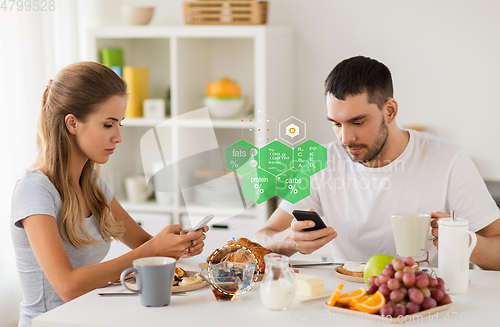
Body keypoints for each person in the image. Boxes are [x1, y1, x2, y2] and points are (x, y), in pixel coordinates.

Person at [253, 56, 500, 270]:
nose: (345, 138)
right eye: (336, 124)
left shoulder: (449, 160)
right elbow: (262, 237)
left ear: (390, 111)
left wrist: (463, 241)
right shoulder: (320, 162)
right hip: (347, 302)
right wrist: (288, 240)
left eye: (358, 122)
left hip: (423, 304)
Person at [10, 61, 208, 327]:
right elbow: (67, 286)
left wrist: (176, 245)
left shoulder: (93, 185)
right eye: (108, 124)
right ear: (72, 123)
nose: (118, 137)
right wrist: (152, 249)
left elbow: (142, 244)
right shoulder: (35, 189)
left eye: (120, 124)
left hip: (94, 317)